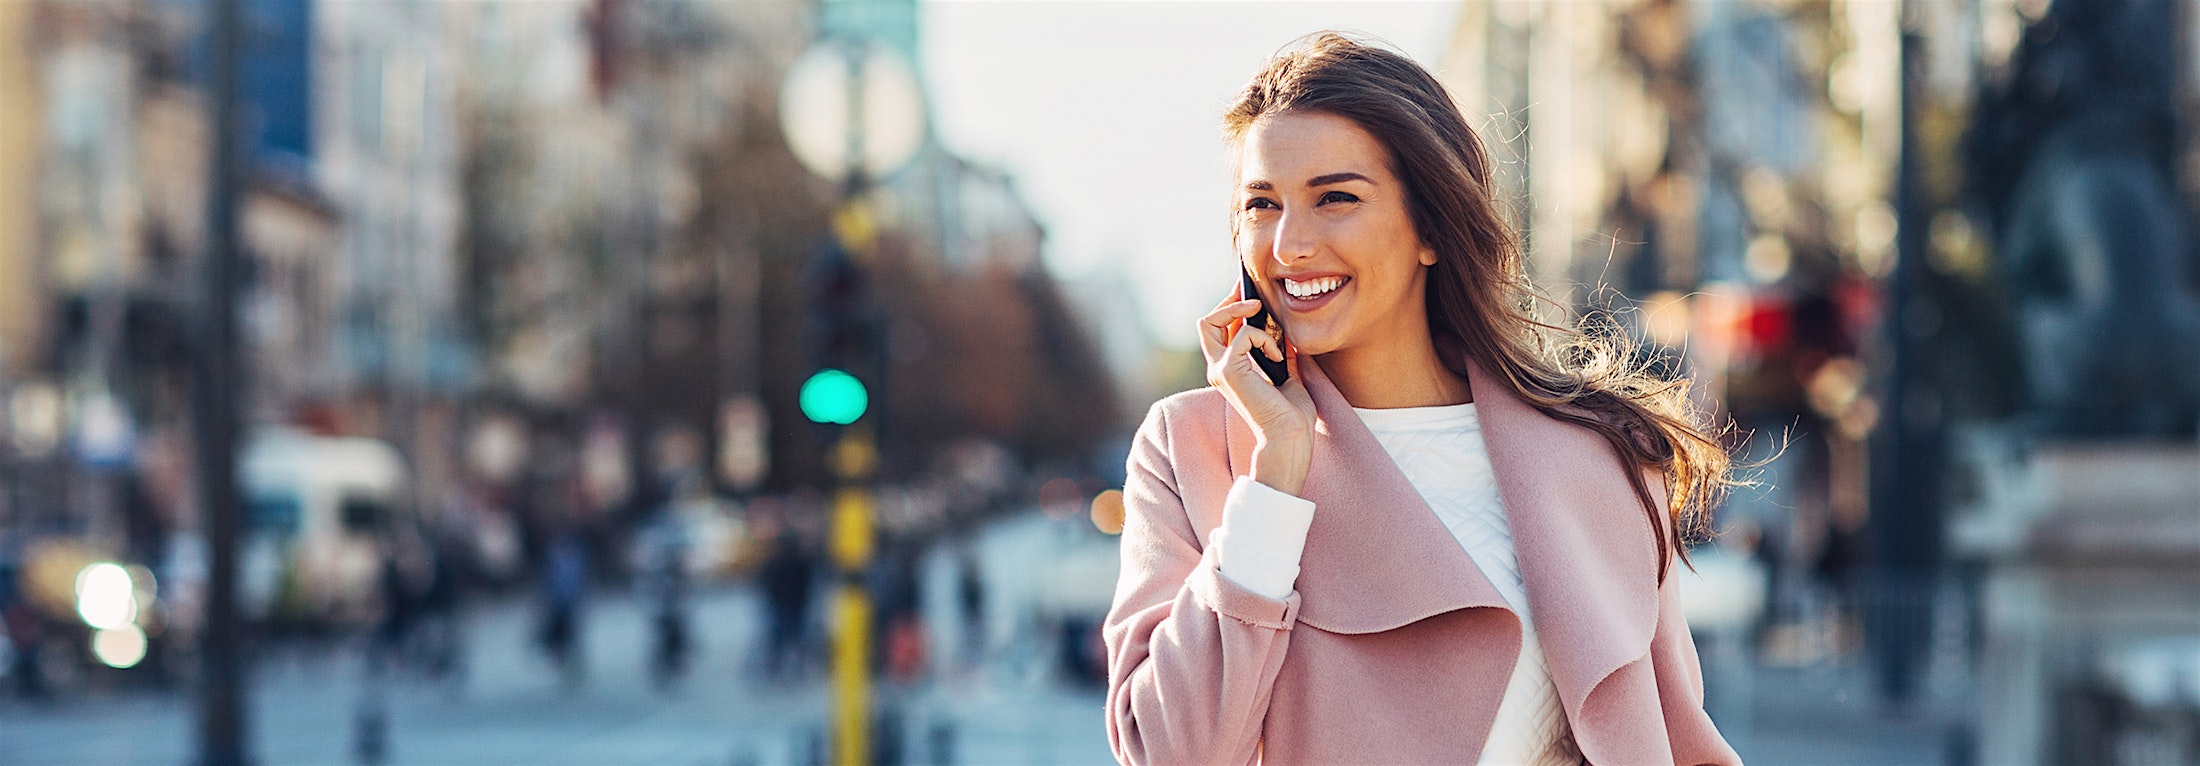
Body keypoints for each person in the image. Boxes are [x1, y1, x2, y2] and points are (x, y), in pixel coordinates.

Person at [1103, 33, 1742, 765]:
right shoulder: (1194, 448)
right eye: (1261, 204)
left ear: (1431, 227)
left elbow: (1675, 736)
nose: (1288, 244)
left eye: (1335, 198)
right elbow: (1168, 752)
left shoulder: (1594, 454)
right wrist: (1275, 474)